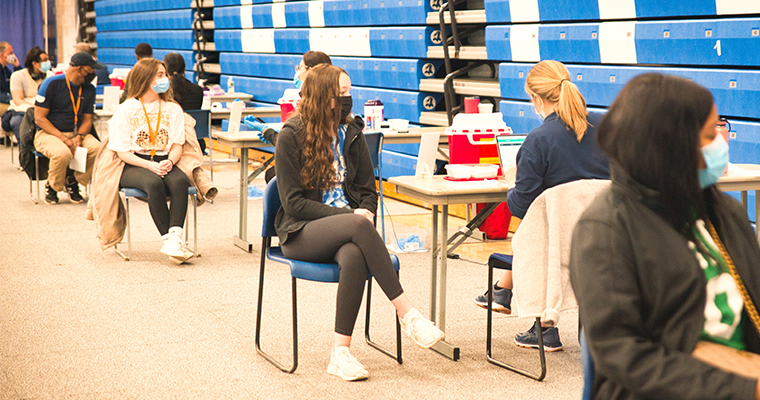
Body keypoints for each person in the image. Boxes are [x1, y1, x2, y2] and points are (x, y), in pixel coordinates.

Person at [570, 73, 760, 399]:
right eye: (710, 133)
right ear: (671, 146)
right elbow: (625, 356)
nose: (722, 141)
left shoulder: (722, 210)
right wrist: (744, 388)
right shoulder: (606, 230)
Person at [275, 64, 444, 381]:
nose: (348, 98)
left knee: (354, 254)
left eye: (349, 91)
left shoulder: (351, 132)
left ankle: (340, 352)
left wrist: (362, 212)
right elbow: (293, 203)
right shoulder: (291, 135)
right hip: (301, 232)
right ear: (323, 96)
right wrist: (351, 216)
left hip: (348, 231)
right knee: (359, 225)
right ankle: (408, 314)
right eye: (341, 93)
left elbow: (368, 191)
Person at [472, 60, 610, 351]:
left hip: (556, 246)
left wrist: (512, 185)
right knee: (551, 224)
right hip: (607, 238)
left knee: (539, 228)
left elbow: (521, 206)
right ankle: (504, 296)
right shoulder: (606, 127)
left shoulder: (538, 140)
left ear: (535, 99)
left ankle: (533, 318)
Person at [106, 58, 195, 264]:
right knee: (153, 182)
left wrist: (170, 162)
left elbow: (177, 145)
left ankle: (174, 240)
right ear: (145, 78)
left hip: (165, 160)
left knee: (181, 181)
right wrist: (149, 165)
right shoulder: (127, 109)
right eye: (160, 75)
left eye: (165, 74)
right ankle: (169, 240)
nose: (166, 79)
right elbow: (122, 152)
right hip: (134, 163)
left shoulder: (173, 109)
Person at [244, 50, 333, 181]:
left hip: (316, 170)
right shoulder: (326, 99)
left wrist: (268, 132)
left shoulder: (314, 105)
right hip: (319, 164)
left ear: (311, 71)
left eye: (300, 67)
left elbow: (299, 146)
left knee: (273, 174)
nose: (298, 72)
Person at [34, 52, 103, 205]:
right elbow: (39, 118)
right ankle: (53, 186)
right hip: (49, 133)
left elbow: (87, 120)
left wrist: (79, 136)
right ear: (80, 69)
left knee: (98, 148)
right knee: (62, 153)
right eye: (91, 69)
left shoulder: (89, 89)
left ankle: (73, 180)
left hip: (76, 133)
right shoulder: (51, 84)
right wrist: (63, 138)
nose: (93, 73)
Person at [163, 53, 204, 152]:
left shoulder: (163, 93)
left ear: (165, 71)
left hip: (170, 142)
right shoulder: (198, 90)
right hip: (195, 138)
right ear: (184, 69)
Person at [5, 46, 48, 142]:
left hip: (46, 110)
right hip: (24, 110)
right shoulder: (18, 76)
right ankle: (26, 153)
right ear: (35, 64)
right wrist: (35, 108)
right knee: (17, 122)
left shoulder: (50, 76)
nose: (48, 63)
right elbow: (18, 100)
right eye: (45, 60)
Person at [0, 41, 21, 115]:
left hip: (7, 100)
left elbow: (19, 82)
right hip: (2, 101)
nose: (13, 56)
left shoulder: (6, 70)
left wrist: (17, 66)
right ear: (2, 55)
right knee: (17, 111)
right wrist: (13, 99)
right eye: (10, 53)